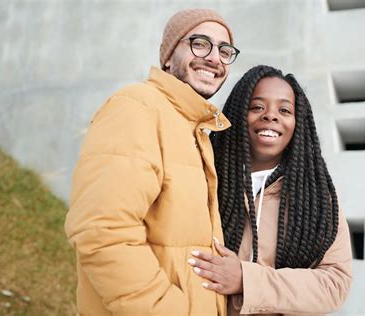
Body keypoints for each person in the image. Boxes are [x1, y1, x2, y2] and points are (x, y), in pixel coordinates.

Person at [64, 9, 240, 315]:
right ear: (169, 56)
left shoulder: (195, 130)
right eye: (200, 43)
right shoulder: (136, 107)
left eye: (225, 51)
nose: (214, 58)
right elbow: (102, 231)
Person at [187, 65, 353, 315]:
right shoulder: (202, 177)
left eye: (284, 110)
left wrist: (246, 279)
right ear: (238, 114)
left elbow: (334, 285)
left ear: (298, 123)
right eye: (257, 107)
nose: (270, 116)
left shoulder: (317, 197)